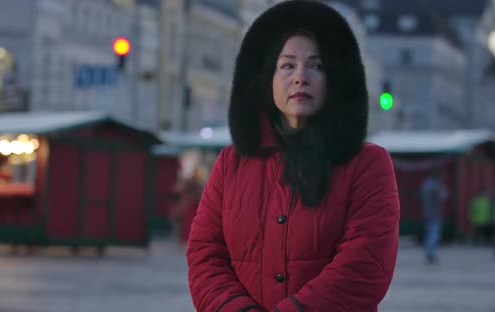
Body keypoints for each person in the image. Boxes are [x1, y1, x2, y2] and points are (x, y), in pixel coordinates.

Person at [186, 1, 400, 311]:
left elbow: (366, 264)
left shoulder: (368, 165)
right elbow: (205, 254)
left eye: (317, 65)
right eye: (287, 65)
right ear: (267, 79)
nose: (301, 77)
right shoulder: (231, 164)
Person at [420, 169, 447, 264]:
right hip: (434, 213)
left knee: (429, 233)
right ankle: (430, 253)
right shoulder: (435, 185)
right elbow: (442, 197)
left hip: (427, 212)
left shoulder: (425, 184)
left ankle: (429, 252)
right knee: (434, 233)